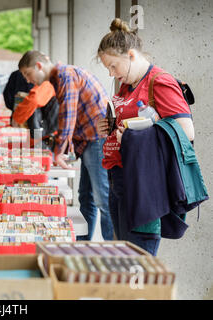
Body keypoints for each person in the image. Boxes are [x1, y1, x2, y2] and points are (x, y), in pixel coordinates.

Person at [96, 18, 196, 255]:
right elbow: (136, 123)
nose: (111, 73)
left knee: (137, 261)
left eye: (113, 66)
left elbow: (186, 130)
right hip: (118, 175)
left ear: (130, 55)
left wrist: (130, 138)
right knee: (122, 256)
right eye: (107, 69)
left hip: (141, 182)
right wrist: (110, 127)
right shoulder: (128, 83)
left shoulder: (159, 82)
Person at [18, 50, 114, 242]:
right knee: (86, 197)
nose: (29, 81)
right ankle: (82, 245)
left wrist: (60, 151)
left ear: (39, 66)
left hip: (96, 138)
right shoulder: (60, 77)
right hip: (90, 139)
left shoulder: (64, 75)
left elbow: (68, 116)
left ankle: (113, 249)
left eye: (28, 74)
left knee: (102, 199)